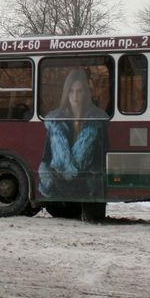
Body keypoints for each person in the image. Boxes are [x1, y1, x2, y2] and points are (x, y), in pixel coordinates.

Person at [38, 69, 109, 200]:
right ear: (66, 93)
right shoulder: (55, 121)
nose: (75, 96)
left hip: (86, 187)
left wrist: (94, 179)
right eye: (71, 91)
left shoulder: (97, 121)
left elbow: (103, 155)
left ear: (86, 93)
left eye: (79, 91)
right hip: (58, 187)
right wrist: (49, 180)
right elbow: (46, 157)